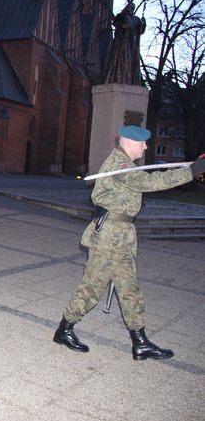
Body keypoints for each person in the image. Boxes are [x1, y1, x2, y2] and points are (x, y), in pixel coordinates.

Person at [53, 125, 205, 360]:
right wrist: (191, 172)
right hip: (110, 238)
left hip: (121, 235)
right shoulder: (119, 165)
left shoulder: (126, 164)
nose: (146, 146)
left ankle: (140, 342)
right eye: (142, 142)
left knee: (130, 289)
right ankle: (64, 329)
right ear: (129, 143)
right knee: (92, 286)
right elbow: (149, 182)